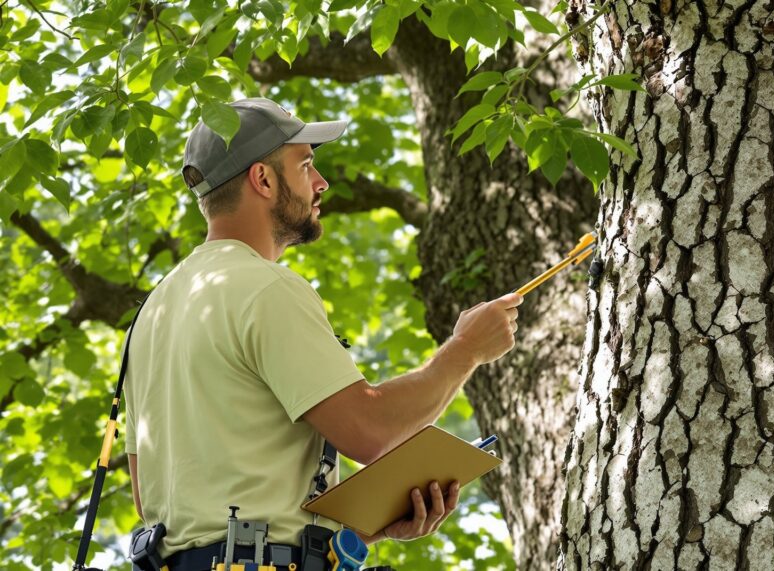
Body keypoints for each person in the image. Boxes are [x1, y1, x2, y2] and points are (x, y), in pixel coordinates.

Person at [123, 98, 523, 567]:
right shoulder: (264, 287)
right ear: (264, 179)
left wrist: (363, 527)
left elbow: (151, 497)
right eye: (306, 165)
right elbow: (370, 431)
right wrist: (465, 351)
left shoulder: (151, 315)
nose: (321, 183)